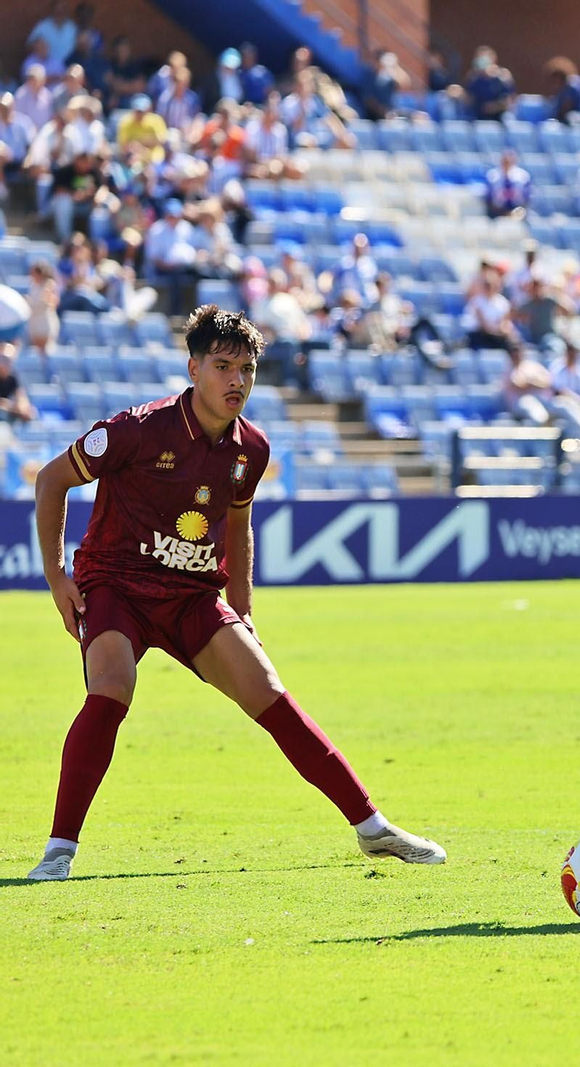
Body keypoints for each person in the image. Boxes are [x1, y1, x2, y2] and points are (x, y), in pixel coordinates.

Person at [24, 306, 446, 881]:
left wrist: (243, 610)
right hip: (116, 586)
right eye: (223, 366)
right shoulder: (137, 430)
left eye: (246, 369)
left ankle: (372, 828)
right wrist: (57, 578)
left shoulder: (252, 449)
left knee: (269, 692)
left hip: (193, 596)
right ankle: (59, 850)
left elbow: (238, 527)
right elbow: (51, 480)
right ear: (193, 368)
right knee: (112, 688)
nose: (237, 381)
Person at [485, 148, 531, 219]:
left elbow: (526, 197)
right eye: (505, 161)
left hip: (517, 212)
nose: (507, 163)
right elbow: (488, 197)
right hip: (496, 212)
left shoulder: (523, 176)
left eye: (509, 161)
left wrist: (515, 212)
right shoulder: (492, 176)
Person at [0, 340, 39, 424]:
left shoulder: (13, 379)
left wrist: (16, 407)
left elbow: (21, 402)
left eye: (8, 360)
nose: (4, 363)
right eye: (2, 359)